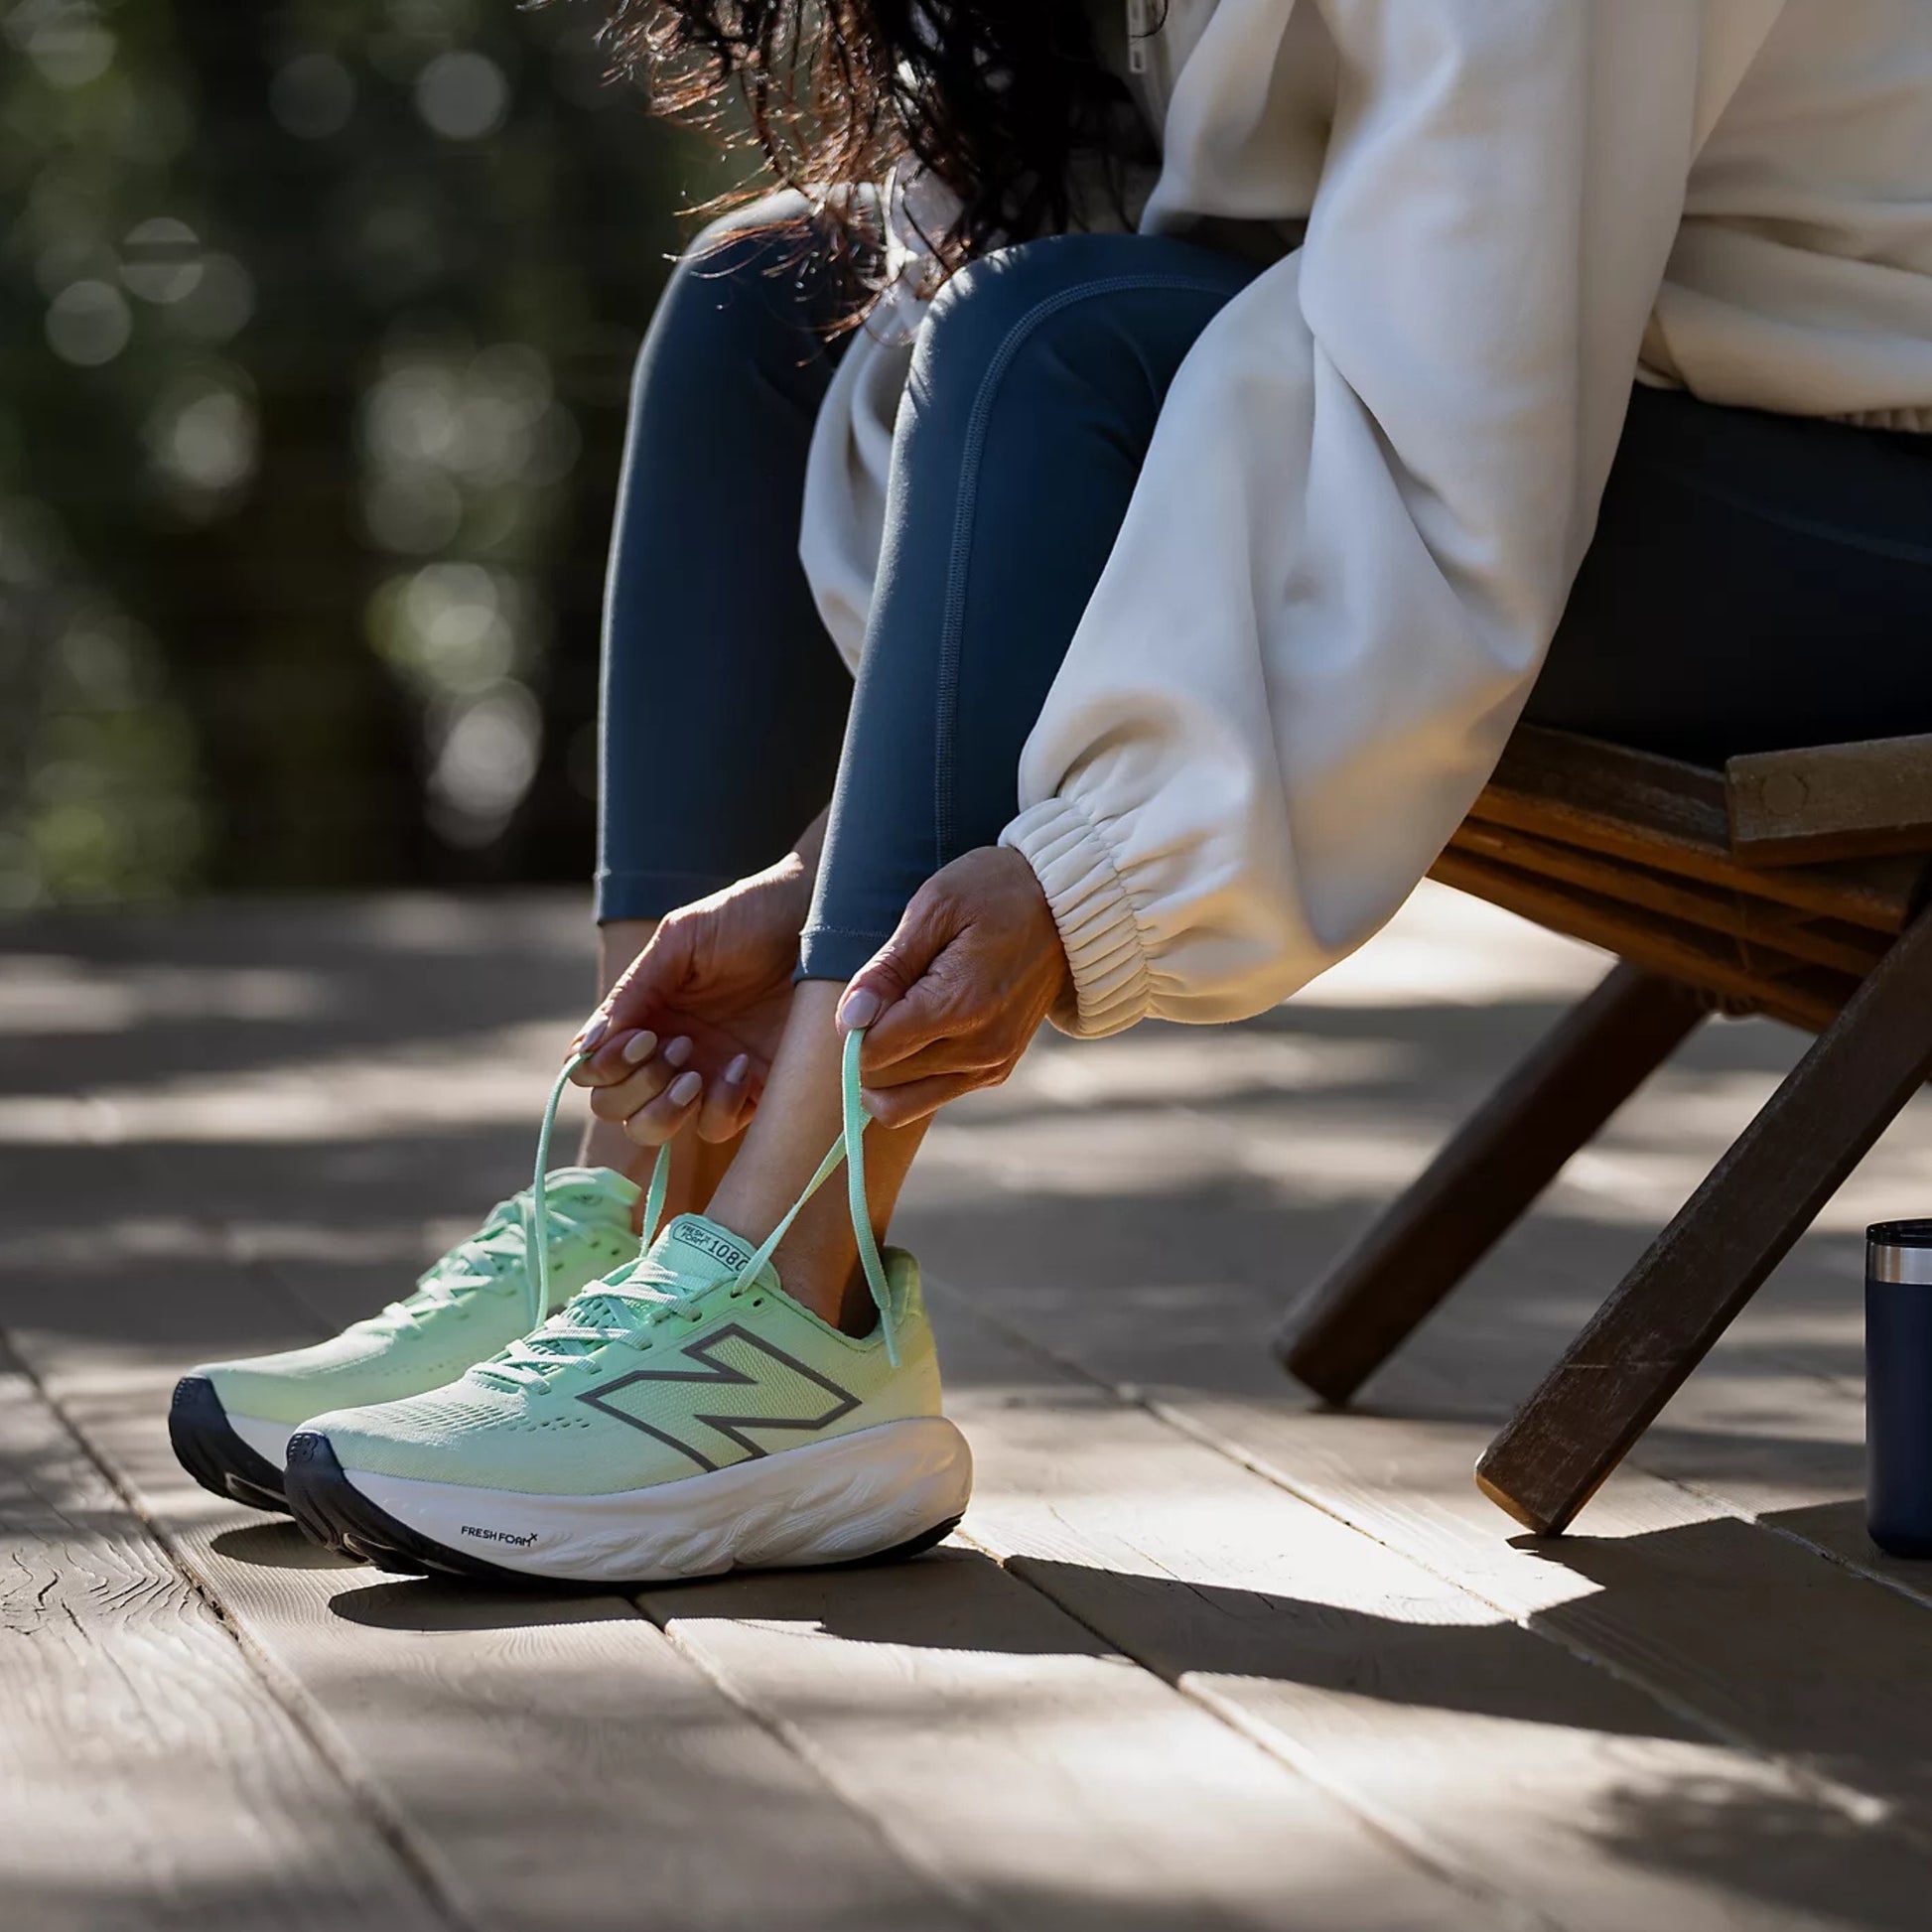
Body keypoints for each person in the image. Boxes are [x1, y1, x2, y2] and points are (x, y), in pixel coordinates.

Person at [173, 0, 1932, 1583]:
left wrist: (1090, 865)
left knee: (1057, 336)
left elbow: (1441, 419)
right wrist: (812, 873)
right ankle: (633, 1219)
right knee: (763, 296)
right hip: (1580, 414)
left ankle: (784, 1315)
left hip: (1855, 504)